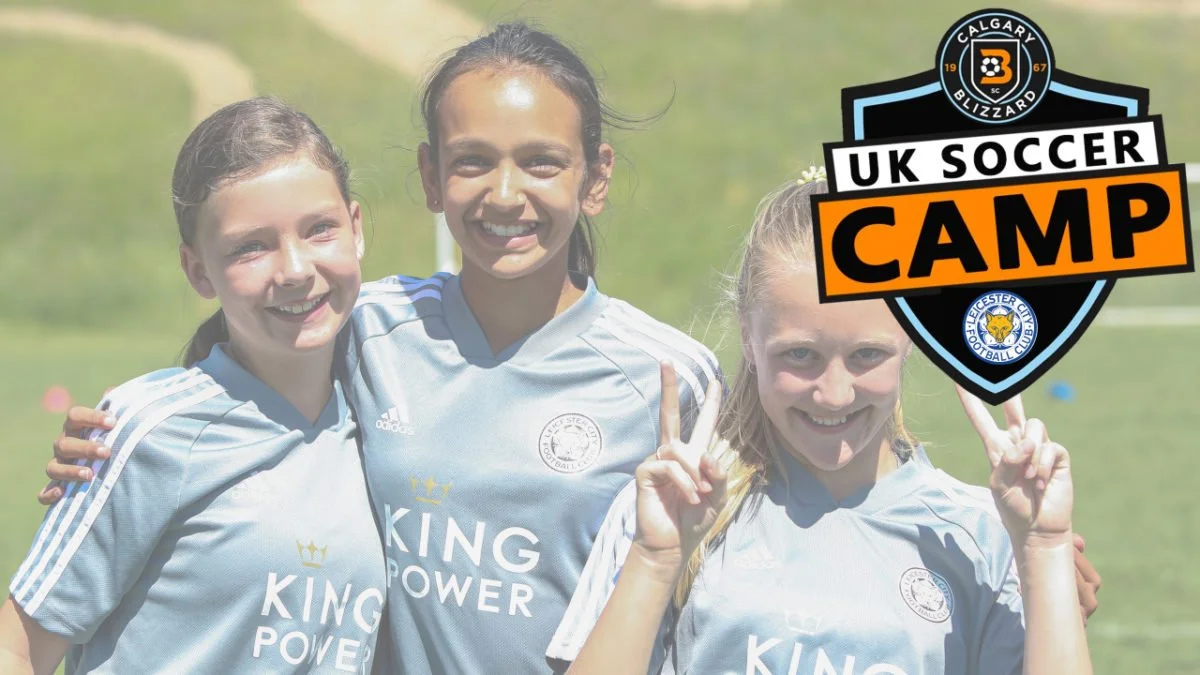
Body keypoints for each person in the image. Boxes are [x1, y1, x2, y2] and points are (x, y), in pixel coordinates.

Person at [32, 22, 1098, 674]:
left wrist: (1024, 555)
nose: (504, 196)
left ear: (593, 180)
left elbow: (813, 440)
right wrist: (128, 427)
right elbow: (268, 339)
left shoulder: (669, 375)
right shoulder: (375, 328)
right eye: (473, 164)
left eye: (541, 163)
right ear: (429, 178)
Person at [555, 175, 1094, 675]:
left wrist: (1044, 548)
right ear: (747, 335)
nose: (834, 393)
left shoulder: (982, 533)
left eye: (866, 355)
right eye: (800, 355)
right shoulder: (676, 510)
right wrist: (656, 558)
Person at [2, 97, 387, 674]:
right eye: (251, 247)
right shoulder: (147, 428)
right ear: (198, 270)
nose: (295, 269)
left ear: (356, 229)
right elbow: (18, 648)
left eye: (319, 230)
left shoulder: (386, 415)